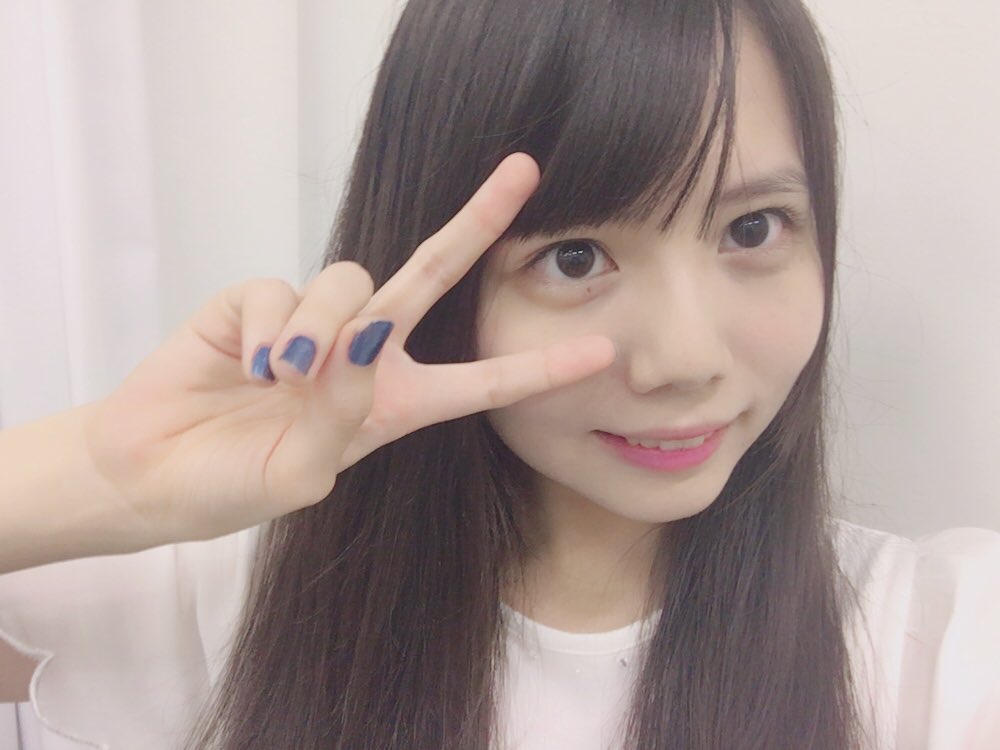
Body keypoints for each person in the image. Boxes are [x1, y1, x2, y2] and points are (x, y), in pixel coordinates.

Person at [1, 0, 999, 747]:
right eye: (574, 256)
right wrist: (110, 479)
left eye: (752, 229)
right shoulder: (226, 601)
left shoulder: (934, 642)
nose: (686, 360)